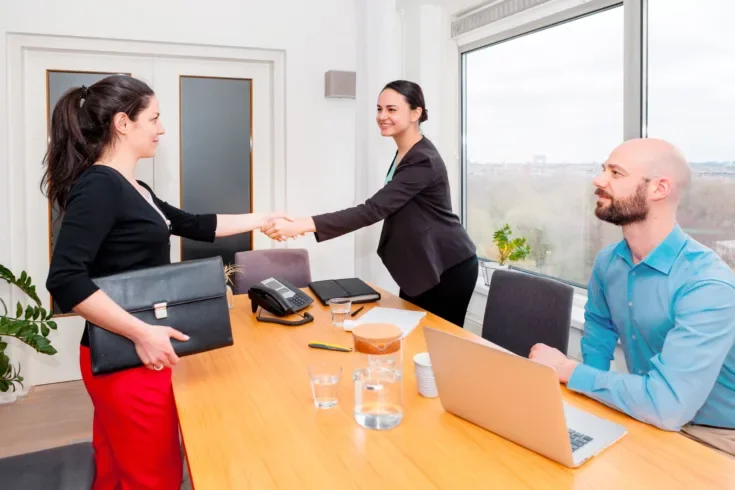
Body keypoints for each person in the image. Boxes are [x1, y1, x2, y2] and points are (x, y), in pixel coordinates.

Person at [43, 75, 289, 489]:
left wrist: (263, 219)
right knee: (152, 476)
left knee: (116, 467)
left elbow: (193, 223)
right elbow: (65, 279)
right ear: (123, 123)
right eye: (154, 118)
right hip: (129, 354)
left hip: (132, 350)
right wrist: (143, 334)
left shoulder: (133, 186)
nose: (161, 129)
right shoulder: (100, 186)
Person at [529, 138, 735, 457]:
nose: (599, 180)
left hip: (715, 436)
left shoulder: (708, 284)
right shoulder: (609, 261)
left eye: (616, 172)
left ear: (659, 188)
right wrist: (586, 403)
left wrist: (568, 371)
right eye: (603, 170)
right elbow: (599, 327)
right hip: (649, 414)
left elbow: (668, 405)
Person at [262, 80, 478, 327]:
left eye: (392, 109)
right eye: (379, 109)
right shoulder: (405, 152)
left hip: (448, 266)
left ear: (416, 113)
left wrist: (301, 225)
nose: (382, 116)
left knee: (436, 348)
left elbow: (373, 210)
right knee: (413, 339)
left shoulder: (422, 159)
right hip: (425, 265)